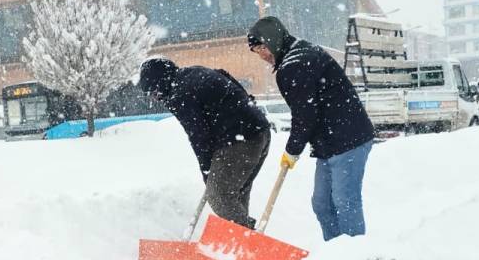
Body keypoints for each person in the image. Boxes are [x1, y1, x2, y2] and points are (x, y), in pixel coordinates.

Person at [247, 16, 375, 241]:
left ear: (274, 40)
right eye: (257, 51)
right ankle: (335, 249)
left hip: (348, 138)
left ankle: (356, 256)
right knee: (322, 203)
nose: (263, 55)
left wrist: (292, 150)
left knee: (345, 200)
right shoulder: (298, 54)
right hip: (330, 142)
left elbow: (304, 114)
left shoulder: (295, 64)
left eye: (263, 48)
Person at [138, 57, 270, 228]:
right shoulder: (193, 72)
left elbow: (199, 137)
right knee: (234, 194)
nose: (155, 98)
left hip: (239, 139)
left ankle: (247, 235)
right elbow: (224, 74)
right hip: (260, 132)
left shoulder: (178, 94)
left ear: (161, 81)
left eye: (153, 91)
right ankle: (238, 239)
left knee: (218, 195)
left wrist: (207, 173)